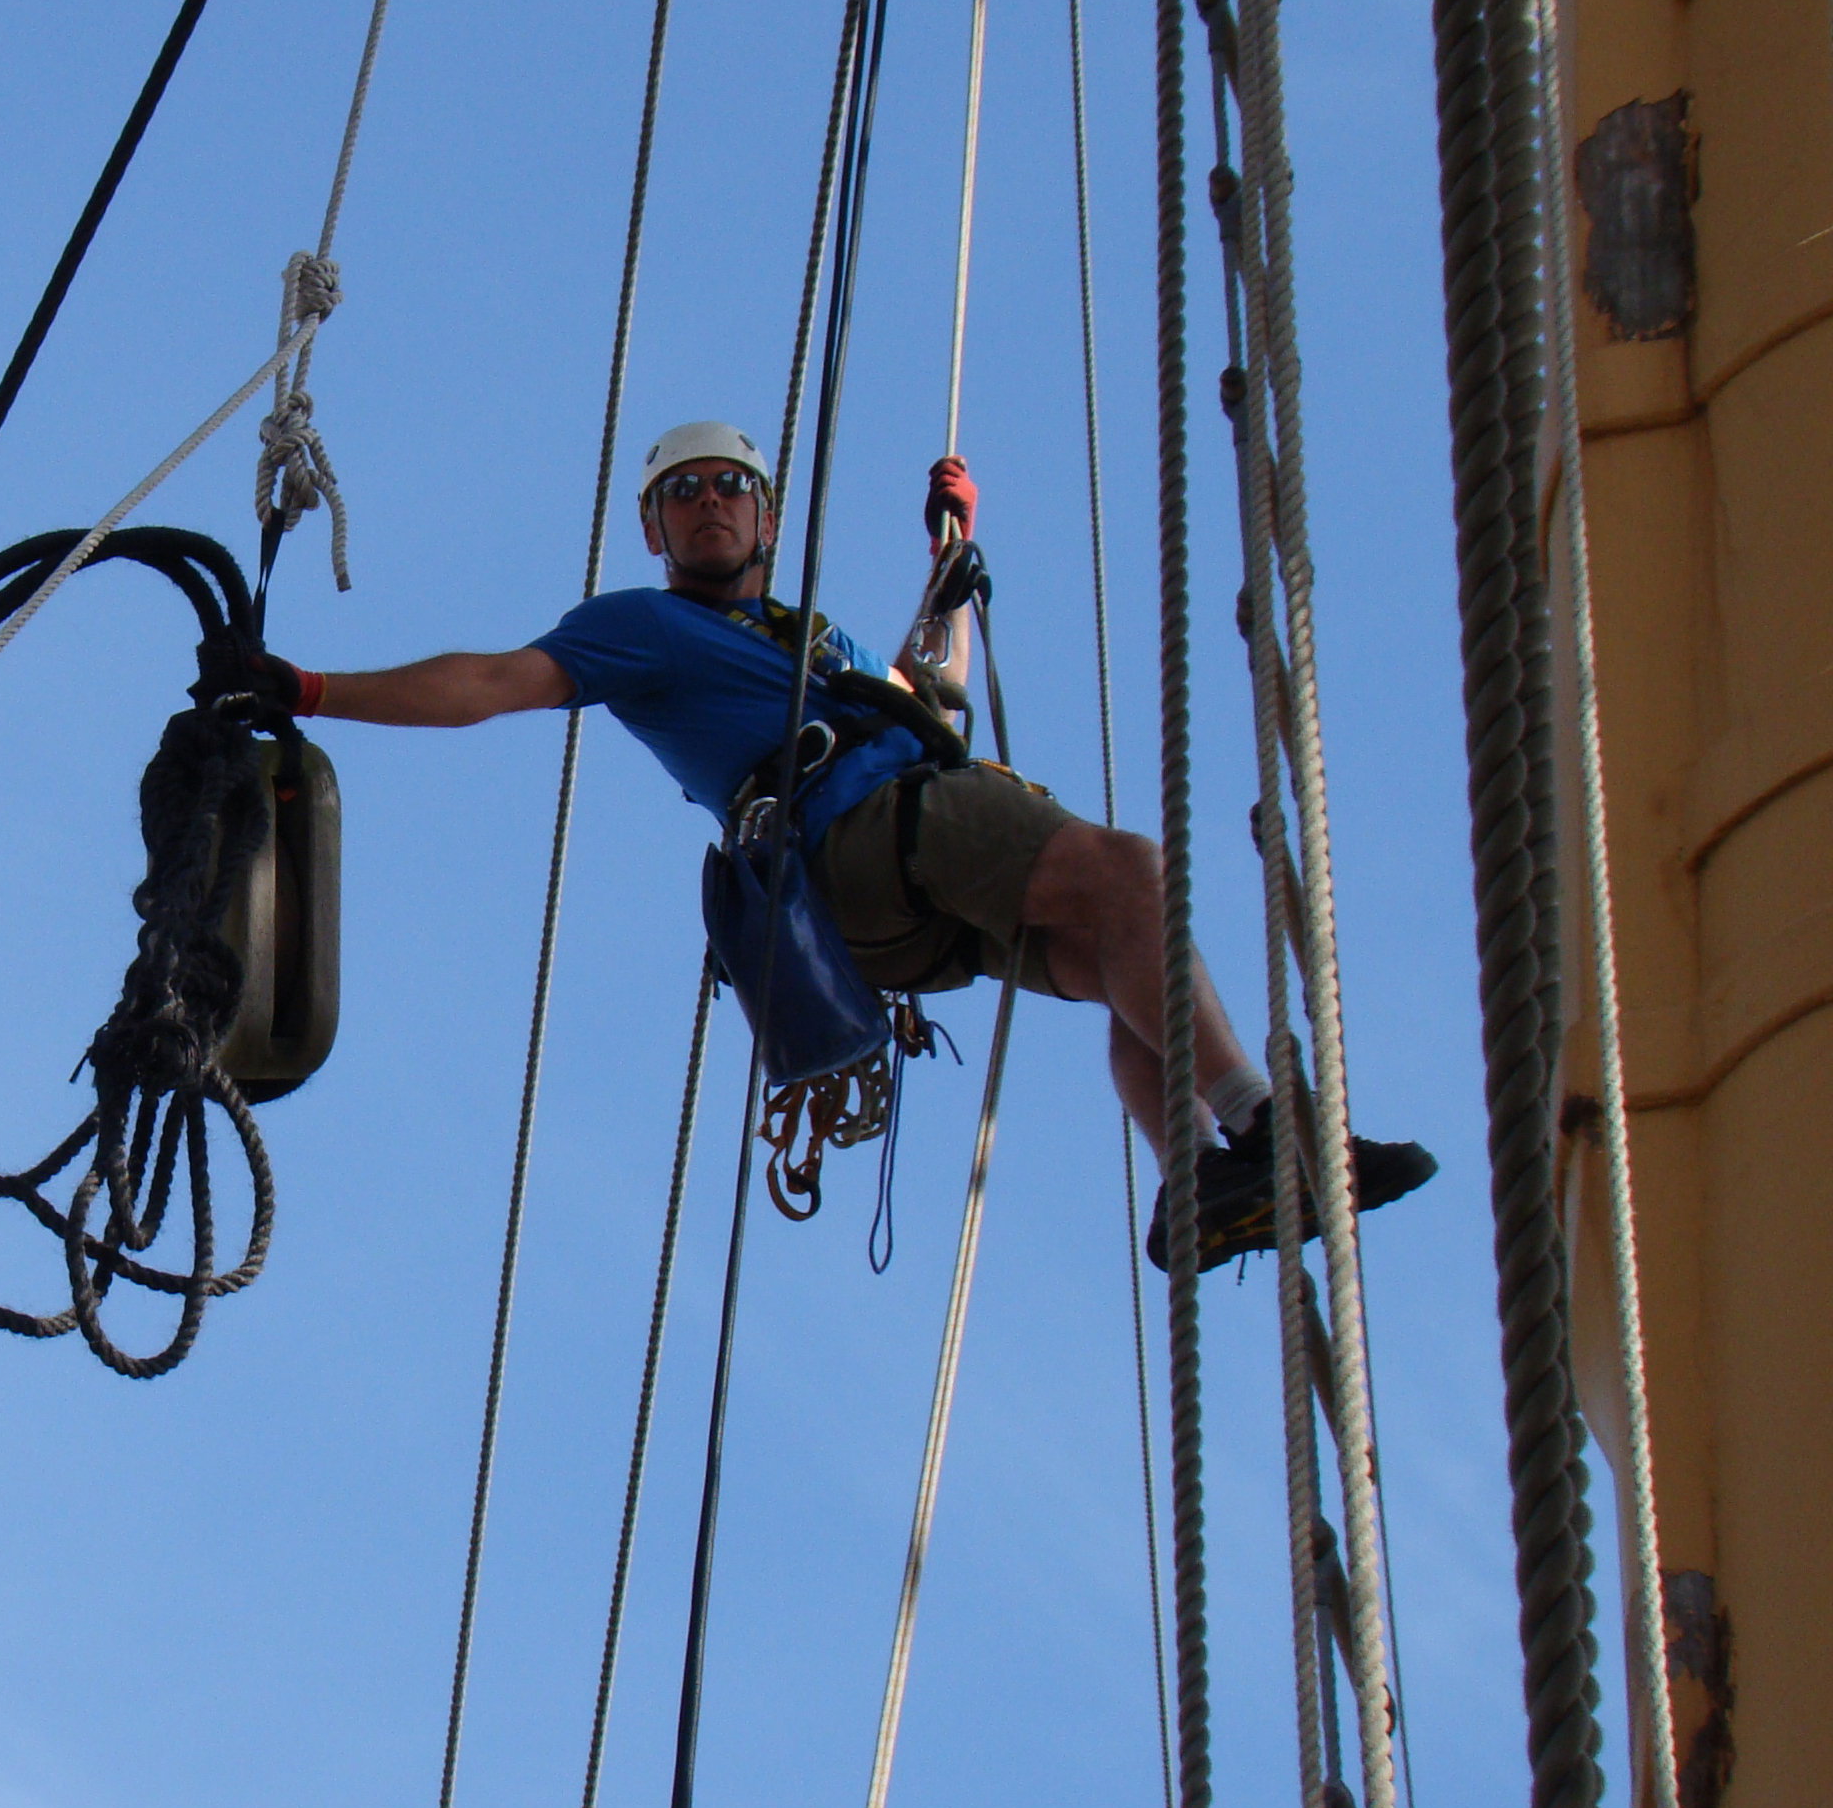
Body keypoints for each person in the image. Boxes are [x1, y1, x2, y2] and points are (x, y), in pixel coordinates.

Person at [248, 419, 1432, 1267]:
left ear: (764, 513)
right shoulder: (640, 630)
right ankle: (1268, 1129)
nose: (710, 502)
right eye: (685, 493)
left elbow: (927, 691)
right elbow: (490, 683)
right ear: (658, 528)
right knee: (1132, 877)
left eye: (730, 487)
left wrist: (949, 562)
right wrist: (309, 688)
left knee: (1122, 957)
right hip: (863, 834)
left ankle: (1198, 1181)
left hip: (894, 887)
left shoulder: (819, 640)